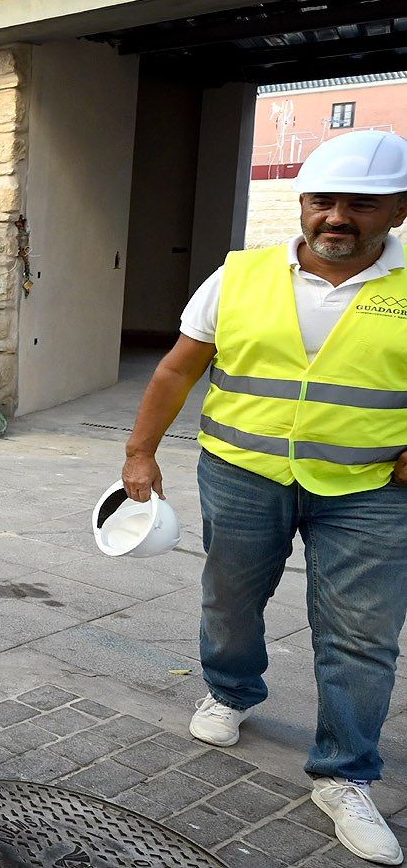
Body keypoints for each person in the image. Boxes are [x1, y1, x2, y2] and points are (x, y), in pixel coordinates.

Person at [121, 130, 407, 867]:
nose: (337, 216)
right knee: (231, 595)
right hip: (244, 472)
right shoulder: (239, 275)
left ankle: (344, 774)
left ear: (398, 209)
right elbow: (176, 371)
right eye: (323, 200)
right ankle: (229, 690)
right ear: (303, 203)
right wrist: (139, 451)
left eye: (361, 203)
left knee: (361, 634)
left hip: (369, 487)